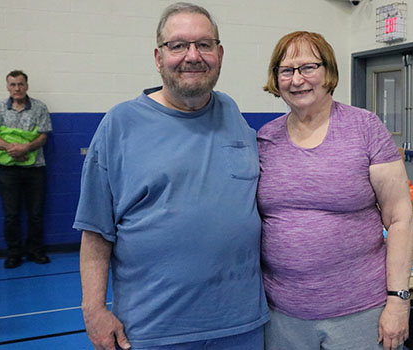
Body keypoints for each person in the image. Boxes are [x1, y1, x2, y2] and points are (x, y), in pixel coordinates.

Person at [74, 3, 268, 349]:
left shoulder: (232, 114)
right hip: (153, 331)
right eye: (178, 45)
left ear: (219, 54)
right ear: (158, 56)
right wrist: (93, 309)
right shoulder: (119, 125)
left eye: (204, 45)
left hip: (242, 327)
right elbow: (95, 232)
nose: (192, 56)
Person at [258, 31, 413, 350]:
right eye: (286, 70)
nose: (297, 79)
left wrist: (398, 301)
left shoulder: (365, 128)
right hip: (282, 314)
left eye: (307, 67)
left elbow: (399, 219)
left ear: (328, 71)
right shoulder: (266, 138)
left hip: (359, 311)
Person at [0, 70, 52, 269]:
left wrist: (26, 148)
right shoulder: (0, 108)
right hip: (7, 170)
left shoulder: (39, 108)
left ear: (27, 86)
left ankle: (36, 251)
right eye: (12, 85)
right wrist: (12, 149)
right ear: (7, 87)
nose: (17, 88)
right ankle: (13, 253)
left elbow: (43, 136)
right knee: (11, 214)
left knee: (35, 213)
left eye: (20, 84)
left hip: (35, 169)